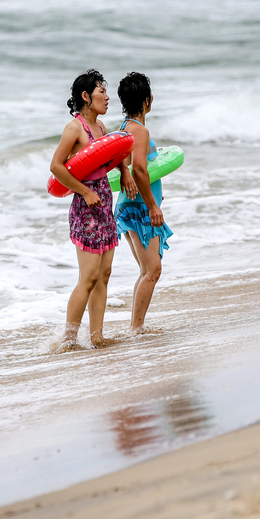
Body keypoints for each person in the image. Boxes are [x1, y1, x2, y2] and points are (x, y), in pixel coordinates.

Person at [49, 69, 136, 348]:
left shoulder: (101, 128)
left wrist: (124, 171)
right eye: (102, 91)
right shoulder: (75, 128)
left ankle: (97, 336)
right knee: (88, 277)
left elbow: (114, 152)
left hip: (104, 206)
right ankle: (68, 340)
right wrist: (84, 191)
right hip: (86, 208)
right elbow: (56, 167)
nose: (108, 97)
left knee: (104, 275)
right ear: (86, 97)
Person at [114, 72, 173, 334]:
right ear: (149, 100)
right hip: (140, 209)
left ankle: (135, 326)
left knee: (146, 269)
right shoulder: (141, 130)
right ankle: (136, 329)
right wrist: (153, 205)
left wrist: (155, 196)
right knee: (153, 270)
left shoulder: (123, 128)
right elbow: (138, 168)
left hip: (127, 206)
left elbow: (128, 167)